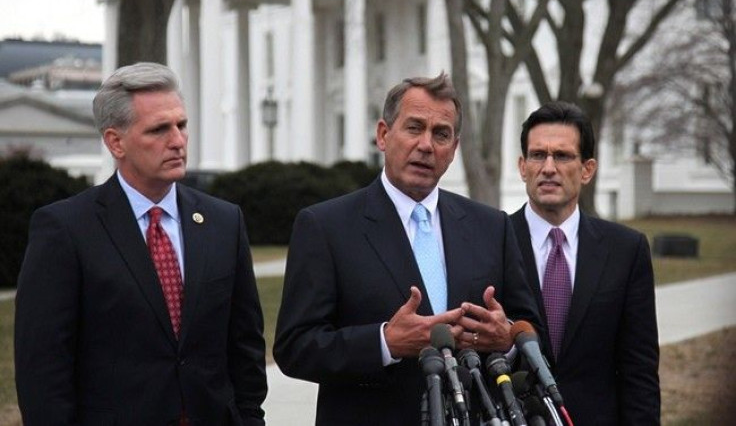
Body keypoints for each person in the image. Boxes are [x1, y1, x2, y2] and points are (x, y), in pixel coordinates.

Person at [274, 73, 540, 425]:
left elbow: (530, 333)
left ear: (454, 149)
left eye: (441, 134)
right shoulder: (326, 227)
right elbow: (295, 347)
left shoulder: (492, 227)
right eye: (414, 128)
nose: (427, 145)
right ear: (384, 135)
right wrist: (385, 343)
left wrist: (506, 340)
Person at [15, 62, 267, 426]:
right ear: (115, 141)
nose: (178, 140)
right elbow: (42, 369)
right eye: (159, 129)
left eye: (181, 125)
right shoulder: (65, 230)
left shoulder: (224, 222)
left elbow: (245, 347)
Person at [511, 101, 660, 425]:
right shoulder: (492, 242)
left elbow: (639, 371)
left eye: (562, 156)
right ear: (523, 166)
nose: (548, 167)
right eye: (538, 155)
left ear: (587, 169)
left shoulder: (626, 250)